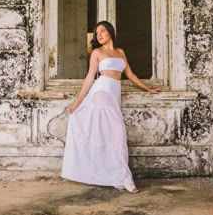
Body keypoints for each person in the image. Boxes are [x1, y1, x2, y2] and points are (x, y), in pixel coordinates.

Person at [61, 21, 162, 193]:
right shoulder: (97, 53)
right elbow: (89, 78)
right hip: (101, 91)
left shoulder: (120, 52)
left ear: (110, 32)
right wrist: (77, 102)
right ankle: (125, 179)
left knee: (113, 137)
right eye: (96, 33)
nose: (98, 34)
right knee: (118, 134)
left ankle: (115, 176)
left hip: (113, 94)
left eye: (102, 31)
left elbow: (129, 74)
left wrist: (148, 88)